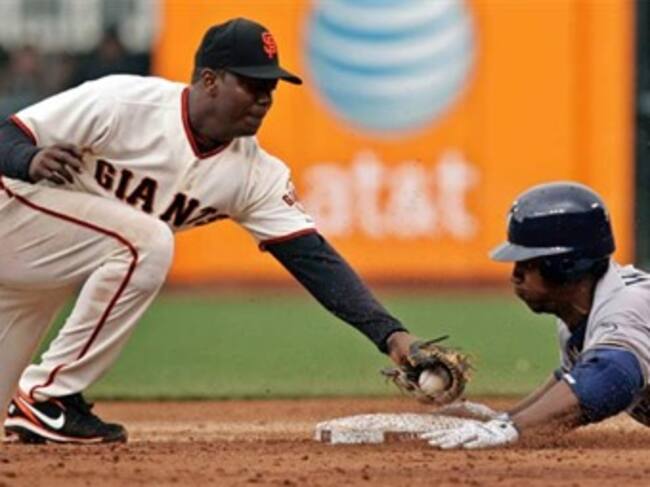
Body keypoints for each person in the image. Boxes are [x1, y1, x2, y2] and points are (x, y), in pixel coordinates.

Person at [0, 17, 422, 444]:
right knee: (148, 242)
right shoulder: (125, 103)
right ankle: (51, 397)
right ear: (209, 80)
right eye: (252, 84)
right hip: (12, 215)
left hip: (41, 275)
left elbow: (313, 259)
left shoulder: (254, 175)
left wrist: (390, 335)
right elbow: (7, 135)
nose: (264, 98)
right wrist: (28, 159)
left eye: (271, 88)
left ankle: (37, 410)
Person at [422, 182, 650, 449]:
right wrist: (504, 419)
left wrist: (511, 428)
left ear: (565, 265)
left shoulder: (626, 308)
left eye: (528, 264)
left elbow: (609, 376)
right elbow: (574, 378)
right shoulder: (584, 310)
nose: (515, 276)